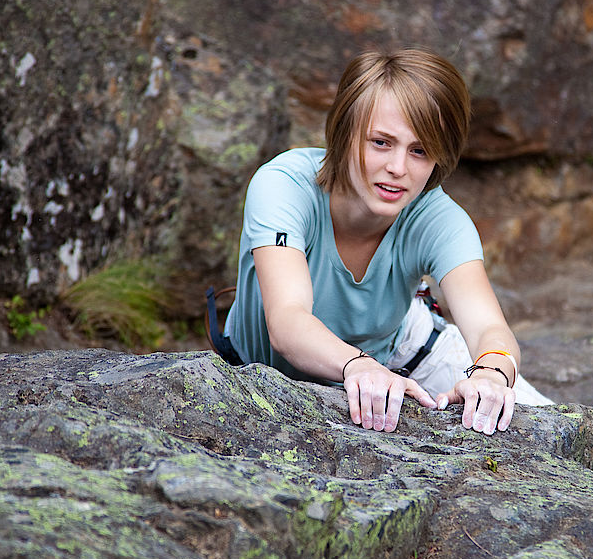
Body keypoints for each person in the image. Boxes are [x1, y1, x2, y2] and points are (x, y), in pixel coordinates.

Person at [218, 48, 551, 436]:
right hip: (320, 365)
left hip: (405, 348)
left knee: (543, 419)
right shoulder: (284, 187)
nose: (398, 169)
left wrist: (492, 374)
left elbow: (489, 328)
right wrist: (360, 366)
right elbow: (288, 322)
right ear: (345, 135)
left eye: (420, 151)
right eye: (380, 142)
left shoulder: (439, 219)